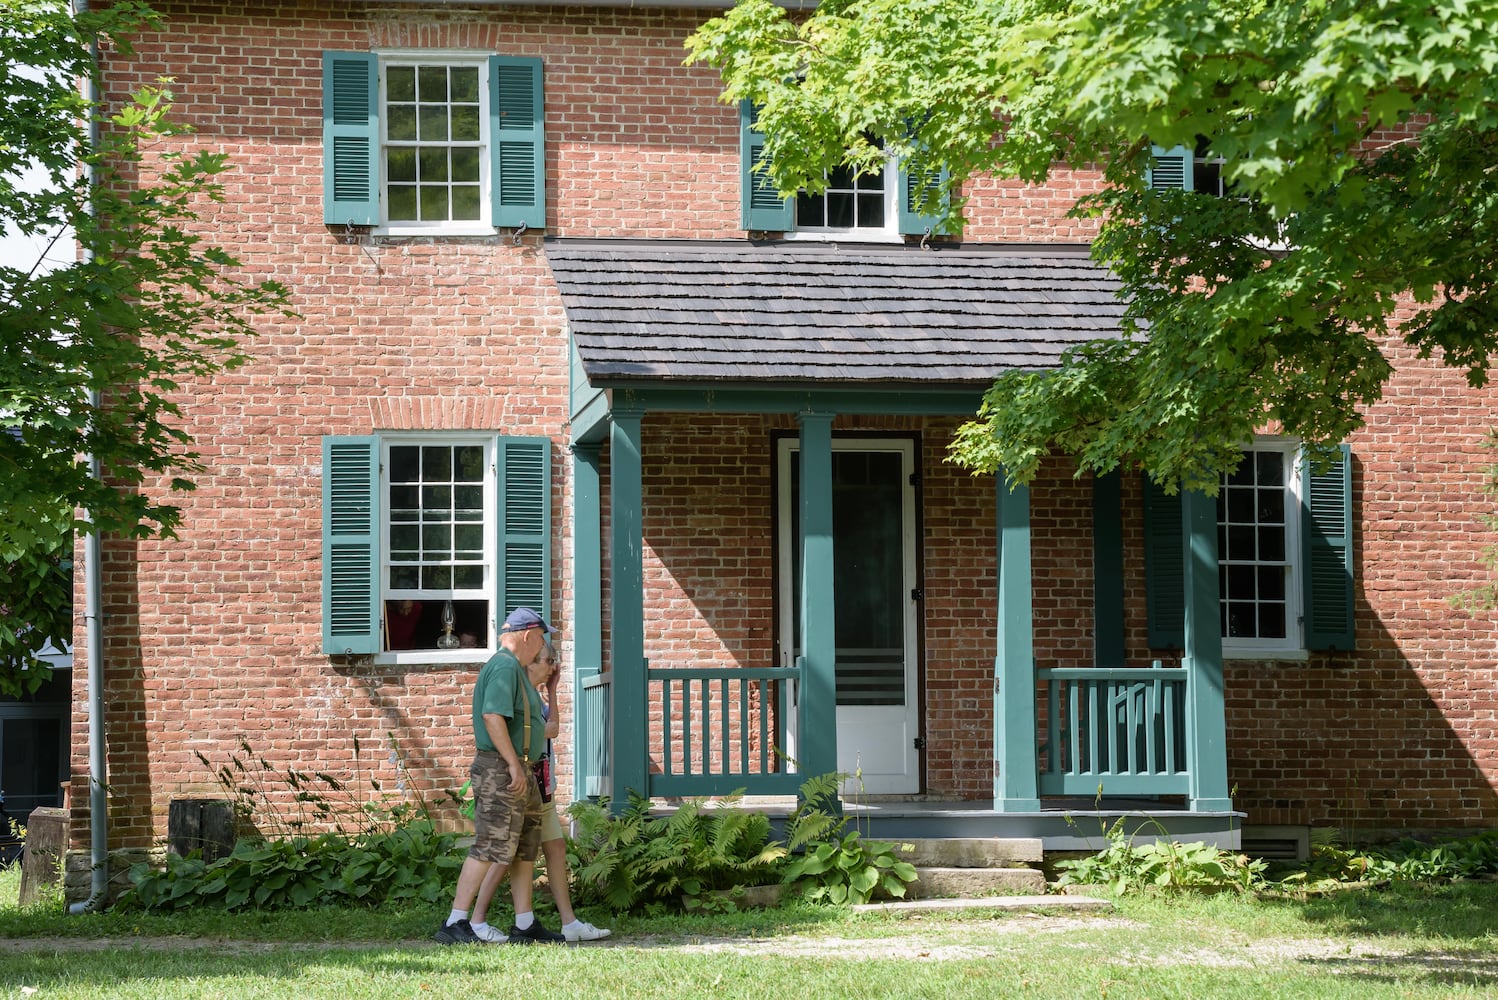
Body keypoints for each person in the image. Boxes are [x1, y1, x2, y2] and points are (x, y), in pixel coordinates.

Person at [469, 638, 612, 944]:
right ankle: (475, 918)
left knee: (550, 848)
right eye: (548, 661)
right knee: (505, 854)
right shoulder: (520, 695)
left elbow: (554, 727)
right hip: (523, 780)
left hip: (541, 784)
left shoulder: (536, 698)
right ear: (530, 662)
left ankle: (564, 921)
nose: (552, 667)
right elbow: (544, 729)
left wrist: (553, 691)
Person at [434, 606, 552, 945]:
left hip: (523, 770)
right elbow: (492, 717)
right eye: (541, 638)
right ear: (528, 635)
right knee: (489, 845)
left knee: (523, 849)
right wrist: (513, 764)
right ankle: (455, 922)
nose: (541, 647)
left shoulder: (515, 669)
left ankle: (525, 924)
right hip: (503, 771)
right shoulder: (503, 666)